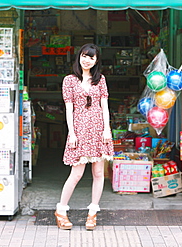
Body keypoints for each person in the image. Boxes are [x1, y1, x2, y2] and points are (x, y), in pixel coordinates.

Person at [54, 43, 113, 231]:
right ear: (79, 57)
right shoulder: (69, 80)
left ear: (96, 61)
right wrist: (71, 132)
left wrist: (107, 130)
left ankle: (93, 213)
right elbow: (69, 109)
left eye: (91, 57)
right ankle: (61, 210)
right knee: (77, 173)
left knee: (98, 173)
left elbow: (105, 106)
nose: (87, 60)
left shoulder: (100, 80)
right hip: (79, 130)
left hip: (98, 130)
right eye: (84, 56)